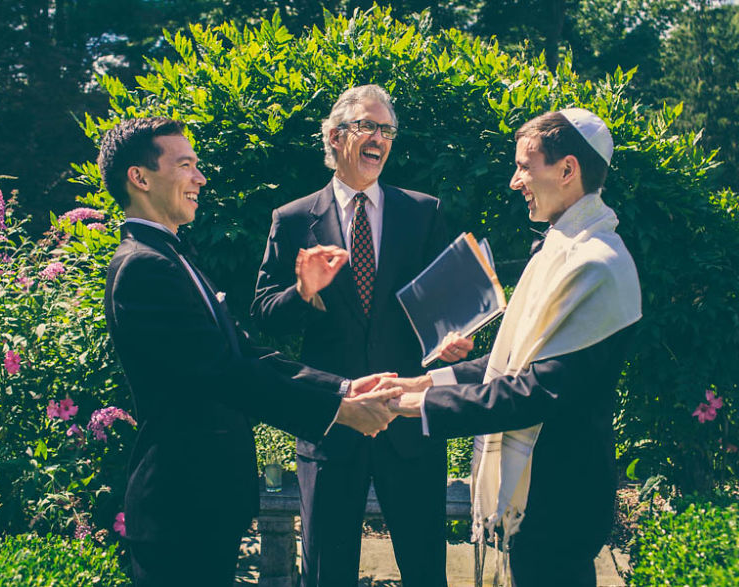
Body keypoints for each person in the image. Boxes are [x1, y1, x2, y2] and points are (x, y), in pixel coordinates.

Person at [99, 117, 401, 587]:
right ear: (139, 178)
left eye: (197, 166)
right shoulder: (144, 268)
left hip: (203, 505)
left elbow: (245, 353)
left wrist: (341, 386)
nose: (200, 178)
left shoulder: (170, 257)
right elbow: (224, 374)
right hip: (180, 505)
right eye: (185, 165)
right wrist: (337, 409)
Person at [376, 108, 642, 587]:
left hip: (561, 498)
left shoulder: (597, 265)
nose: (515, 180)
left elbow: (535, 390)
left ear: (567, 170)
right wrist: (425, 381)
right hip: (541, 497)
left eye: (525, 165)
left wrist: (421, 405)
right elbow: (512, 362)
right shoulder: (562, 248)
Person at [251, 85, 449, 587]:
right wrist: (303, 291)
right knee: (326, 571)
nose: (379, 137)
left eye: (387, 129)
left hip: (409, 422)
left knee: (426, 567)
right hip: (331, 423)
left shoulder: (423, 212)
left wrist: (449, 337)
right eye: (368, 126)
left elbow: (440, 306)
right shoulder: (293, 219)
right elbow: (264, 315)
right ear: (336, 136)